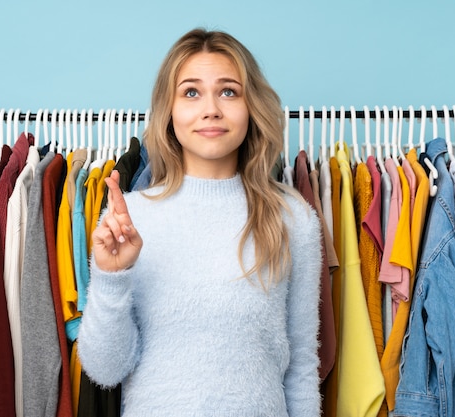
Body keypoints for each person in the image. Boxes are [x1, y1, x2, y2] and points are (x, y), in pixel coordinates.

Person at [78, 28, 322, 416]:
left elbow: (302, 370)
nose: (211, 109)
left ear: (251, 107)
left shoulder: (292, 220)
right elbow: (106, 371)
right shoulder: (131, 218)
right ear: (169, 110)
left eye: (228, 91)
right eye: (191, 92)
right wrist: (111, 278)